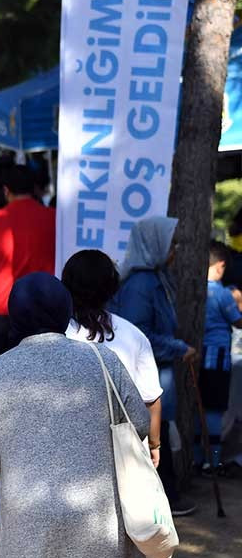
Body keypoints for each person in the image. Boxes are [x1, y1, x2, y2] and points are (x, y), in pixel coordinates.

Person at [0, 273, 148, 558]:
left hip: (26, 513)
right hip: (97, 509)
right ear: (65, 311)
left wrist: (16, 463)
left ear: (15, 314)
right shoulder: (102, 360)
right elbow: (138, 422)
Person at [109, 216, 197, 516]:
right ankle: (164, 497)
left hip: (159, 366)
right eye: (171, 242)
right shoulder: (141, 283)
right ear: (154, 242)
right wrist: (178, 347)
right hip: (149, 368)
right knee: (153, 430)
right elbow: (138, 332)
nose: (175, 249)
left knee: (161, 428)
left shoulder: (156, 276)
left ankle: (167, 494)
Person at [62, 249, 164, 465]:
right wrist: (154, 444)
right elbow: (151, 400)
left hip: (69, 449)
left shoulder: (56, 334)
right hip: (123, 454)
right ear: (111, 288)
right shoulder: (134, 335)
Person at [0, 165, 55, 363]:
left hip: (1, 308)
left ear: (6, 190)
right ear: (34, 189)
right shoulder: (55, 217)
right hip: (43, 311)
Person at [203, 241, 242, 413]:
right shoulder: (223, 293)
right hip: (217, 355)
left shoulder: (196, 288)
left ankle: (198, 437)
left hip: (199, 352)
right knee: (216, 403)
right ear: (220, 266)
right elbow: (237, 321)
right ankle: (213, 440)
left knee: (201, 401)